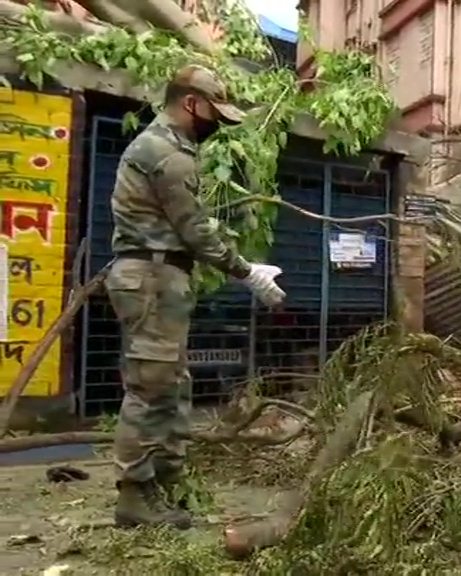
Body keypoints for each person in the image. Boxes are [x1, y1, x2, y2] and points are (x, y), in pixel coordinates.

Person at [105, 64, 286, 529]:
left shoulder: (166, 146)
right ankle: (134, 498)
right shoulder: (167, 153)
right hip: (151, 277)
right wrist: (247, 272)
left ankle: (165, 484)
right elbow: (195, 231)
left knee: (170, 383)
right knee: (149, 389)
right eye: (214, 113)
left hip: (159, 277)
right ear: (191, 103)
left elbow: (189, 229)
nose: (216, 124)